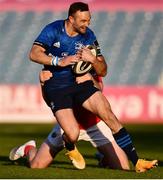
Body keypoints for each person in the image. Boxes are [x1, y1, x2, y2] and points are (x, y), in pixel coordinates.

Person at [28, 2, 158, 172]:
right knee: (38, 164)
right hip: (60, 91)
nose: (87, 24)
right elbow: (34, 53)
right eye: (83, 21)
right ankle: (31, 149)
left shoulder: (88, 36)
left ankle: (137, 161)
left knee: (109, 116)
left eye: (89, 20)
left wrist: (93, 59)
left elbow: (103, 71)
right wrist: (58, 62)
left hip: (87, 109)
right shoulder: (53, 29)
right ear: (71, 19)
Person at [9, 71, 130, 171]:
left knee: (123, 167)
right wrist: (42, 83)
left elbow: (99, 90)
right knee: (36, 166)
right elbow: (49, 101)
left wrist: (88, 78)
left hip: (95, 124)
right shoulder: (56, 70)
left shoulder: (87, 66)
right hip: (67, 126)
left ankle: (104, 157)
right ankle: (28, 149)